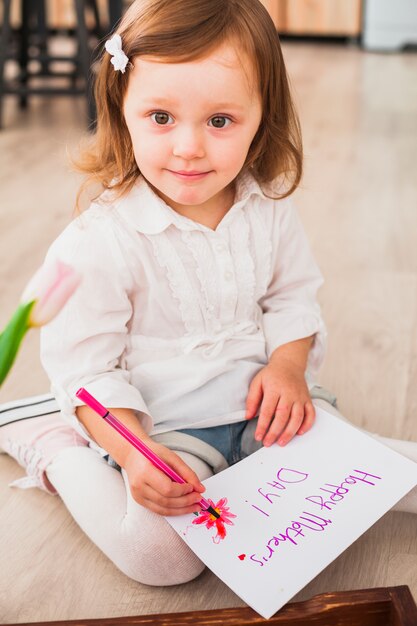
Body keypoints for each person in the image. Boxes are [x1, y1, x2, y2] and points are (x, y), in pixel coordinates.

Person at [1, 0, 416, 586]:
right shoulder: (99, 241)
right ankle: (53, 445)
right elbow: (85, 368)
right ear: (122, 113)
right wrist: (132, 452)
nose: (189, 147)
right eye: (161, 118)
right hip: (161, 427)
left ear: (261, 117)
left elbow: (292, 297)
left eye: (220, 121)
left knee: (371, 467)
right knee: (163, 560)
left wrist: (288, 366)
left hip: (265, 406)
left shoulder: (265, 204)